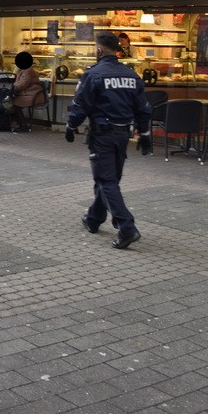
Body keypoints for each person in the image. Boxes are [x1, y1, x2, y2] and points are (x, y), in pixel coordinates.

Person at [66, 32, 153, 250]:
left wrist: (71, 125)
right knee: (109, 179)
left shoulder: (93, 74)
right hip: (123, 135)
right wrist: (145, 134)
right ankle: (94, 219)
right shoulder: (131, 75)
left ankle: (127, 227)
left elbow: (81, 104)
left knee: (106, 181)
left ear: (99, 50)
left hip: (102, 135)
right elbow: (143, 109)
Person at [10, 51, 45, 132]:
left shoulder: (28, 71)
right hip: (28, 94)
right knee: (12, 102)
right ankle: (18, 123)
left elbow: (23, 83)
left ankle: (23, 125)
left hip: (33, 95)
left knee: (14, 104)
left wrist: (13, 88)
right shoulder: (23, 70)